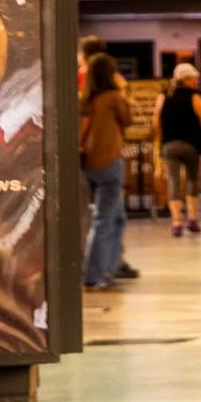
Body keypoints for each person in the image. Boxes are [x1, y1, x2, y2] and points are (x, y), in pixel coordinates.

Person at [79, 48, 136, 291]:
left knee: (116, 217)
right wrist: (123, 90)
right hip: (108, 162)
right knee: (104, 219)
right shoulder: (113, 98)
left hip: (86, 164)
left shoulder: (84, 99)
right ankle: (94, 275)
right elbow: (128, 119)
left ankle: (108, 267)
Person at [157, 60, 201, 239]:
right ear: (187, 79)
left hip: (169, 144)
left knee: (173, 181)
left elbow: (155, 120)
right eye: (194, 78)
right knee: (192, 180)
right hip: (190, 145)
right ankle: (193, 219)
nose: (196, 81)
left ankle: (176, 222)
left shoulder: (164, 95)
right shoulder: (195, 96)